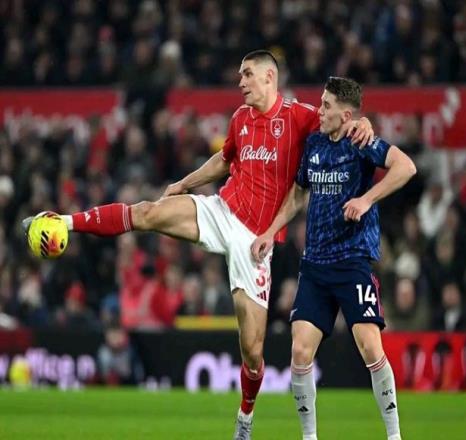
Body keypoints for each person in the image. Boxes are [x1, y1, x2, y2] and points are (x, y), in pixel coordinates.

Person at [23, 51, 374, 439]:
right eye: (239, 75)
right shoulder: (240, 118)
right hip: (221, 210)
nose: (240, 82)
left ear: (269, 77)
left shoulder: (299, 117)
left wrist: (363, 124)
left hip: (255, 241)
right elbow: (224, 161)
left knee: (253, 353)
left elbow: (339, 120)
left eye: (247, 74)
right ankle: (63, 221)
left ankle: (245, 417)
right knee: (147, 212)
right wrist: (185, 183)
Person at [251, 76, 416, 440]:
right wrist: (270, 231)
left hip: (352, 261)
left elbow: (406, 167)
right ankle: (309, 437)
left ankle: (394, 436)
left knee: (370, 347)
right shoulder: (313, 144)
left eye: (326, 106)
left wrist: (367, 199)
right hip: (315, 266)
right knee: (299, 352)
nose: (320, 110)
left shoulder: (362, 142)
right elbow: (298, 195)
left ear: (346, 115)